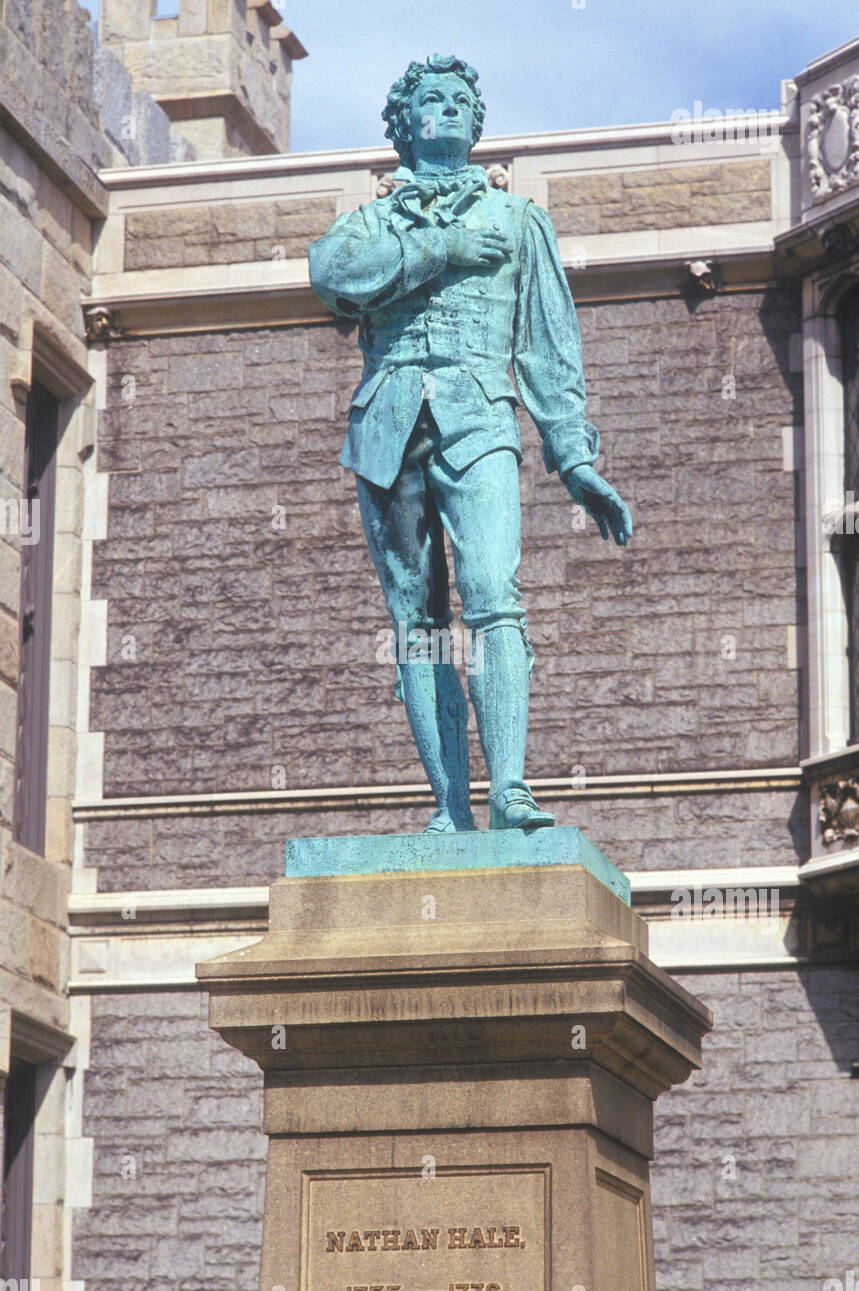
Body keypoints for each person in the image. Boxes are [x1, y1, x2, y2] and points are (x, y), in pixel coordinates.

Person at [309, 54, 632, 832]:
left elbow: (547, 348)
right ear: (404, 123)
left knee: (493, 595)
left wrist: (574, 455)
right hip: (386, 425)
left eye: (460, 100)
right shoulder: (369, 223)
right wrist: (439, 253)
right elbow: (333, 279)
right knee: (416, 622)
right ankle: (448, 806)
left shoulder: (516, 221)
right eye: (431, 100)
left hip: (480, 418)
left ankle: (509, 788)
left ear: (475, 122)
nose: (447, 109)